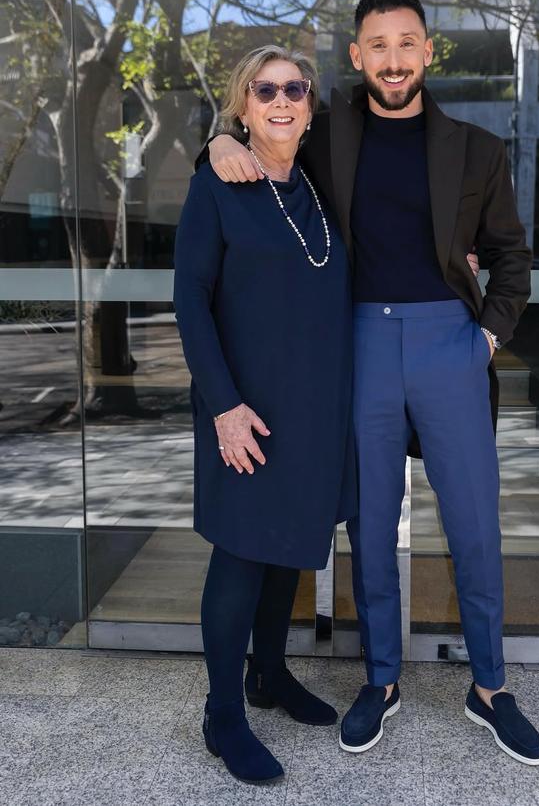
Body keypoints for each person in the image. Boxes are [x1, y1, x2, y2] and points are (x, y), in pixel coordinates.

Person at [200, 0, 539, 767]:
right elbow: (264, 128)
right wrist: (219, 137)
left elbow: (513, 259)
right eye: (377, 45)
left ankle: (490, 688)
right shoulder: (328, 133)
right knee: (372, 523)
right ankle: (381, 679)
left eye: (407, 43)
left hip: (449, 344)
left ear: (428, 52)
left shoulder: (478, 148)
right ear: (357, 58)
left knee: (474, 524)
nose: (393, 58)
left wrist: (486, 338)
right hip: (357, 343)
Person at [173, 45, 358, 785]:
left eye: (295, 89)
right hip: (244, 406)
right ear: (242, 105)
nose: (282, 100)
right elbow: (190, 302)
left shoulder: (317, 184)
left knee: (289, 547)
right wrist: (223, 406)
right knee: (242, 552)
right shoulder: (215, 184)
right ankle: (223, 714)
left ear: (311, 106)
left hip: (313, 407)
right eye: (265, 90)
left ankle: (269, 674)